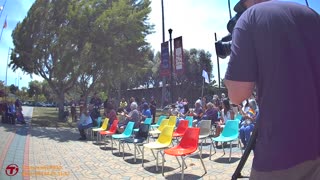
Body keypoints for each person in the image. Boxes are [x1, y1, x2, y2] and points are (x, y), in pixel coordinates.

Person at [224, 0, 320, 179]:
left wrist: (229, 79)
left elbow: (237, 95)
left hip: (281, 151)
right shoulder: (312, 15)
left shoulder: (249, 18)